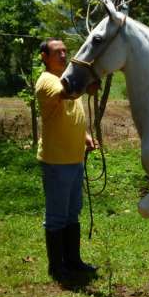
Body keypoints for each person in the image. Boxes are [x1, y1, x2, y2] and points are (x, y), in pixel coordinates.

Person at [36, 37, 99, 282]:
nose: (63, 55)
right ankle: (57, 267)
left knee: (73, 213)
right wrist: (88, 82)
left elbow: (71, 111)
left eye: (65, 51)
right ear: (45, 57)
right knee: (57, 216)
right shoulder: (47, 81)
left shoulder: (65, 77)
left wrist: (85, 136)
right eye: (57, 52)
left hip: (74, 159)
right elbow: (68, 94)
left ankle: (73, 260)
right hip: (56, 161)